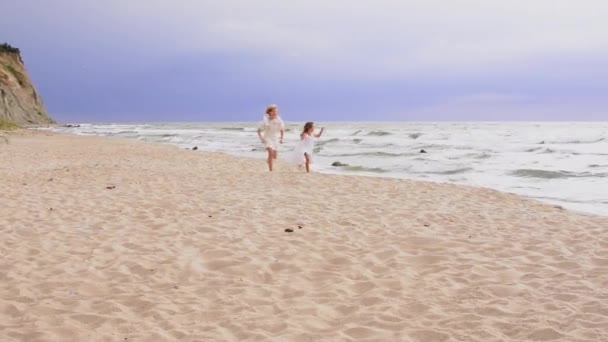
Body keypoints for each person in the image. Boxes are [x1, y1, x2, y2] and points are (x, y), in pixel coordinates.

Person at [257, 104, 285, 171]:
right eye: (273, 111)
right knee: (270, 152)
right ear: (269, 112)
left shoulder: (279, 121)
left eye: (276, 111)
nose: (275, 113)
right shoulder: (265, 121)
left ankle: (268, 161)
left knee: (275, 156)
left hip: (275, 138)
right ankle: (271, 170)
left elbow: (282, 130)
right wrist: (261, 138)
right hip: (267, 138)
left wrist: (281, 138)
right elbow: (258, 131)